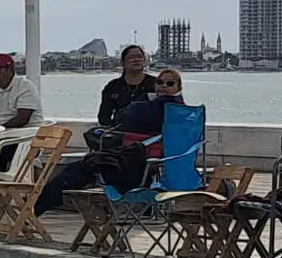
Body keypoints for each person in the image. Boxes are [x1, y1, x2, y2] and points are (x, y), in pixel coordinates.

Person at [34, 68, 186, 215]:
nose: (164, 86)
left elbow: (125, 116)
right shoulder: (171, 108)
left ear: (179, 87)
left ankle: (35, 207)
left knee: (84, 167)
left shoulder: (162, 106)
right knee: (85, 166)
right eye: (160, 82)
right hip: (140, 156)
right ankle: (37, 205)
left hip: (137, 157)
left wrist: (140, 103)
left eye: (170, 83)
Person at [97, 44, 157, 129]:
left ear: (145, 61)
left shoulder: (156, 83)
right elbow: (104, 116)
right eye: (131, 57)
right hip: (119, 132)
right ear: (122, 63)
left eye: (139, 57)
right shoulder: (113, 86)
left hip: (150, 133)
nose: (136, 60)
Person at [0, 53, 42, 129]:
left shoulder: (25, 86)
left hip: (25, 135)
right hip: (0, 135)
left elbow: (22, 119)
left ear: (10, 70)